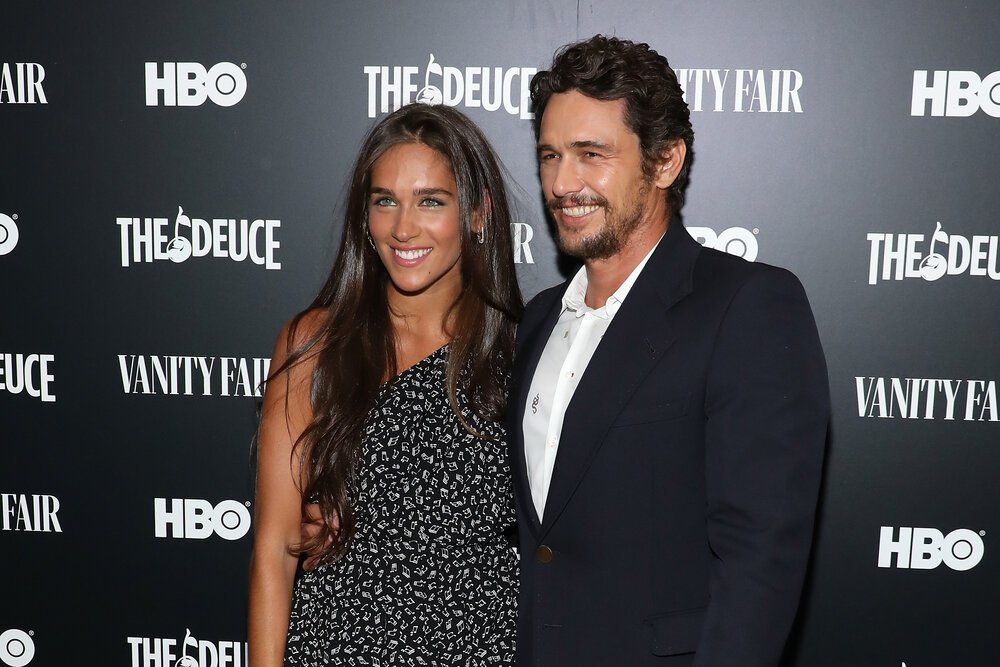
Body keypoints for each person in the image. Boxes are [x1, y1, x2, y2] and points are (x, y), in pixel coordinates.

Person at [508, 35, 830, 666]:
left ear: (664, 162)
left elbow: (758, 561)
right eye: (549, 156)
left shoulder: (748, 307)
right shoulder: (538, 319)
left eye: (590, 155)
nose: (562, 183)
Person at [248, 103, 523, 666]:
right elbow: (275, 550)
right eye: (385, 202)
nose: (403, 227)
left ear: (476, 212)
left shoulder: (522, 353)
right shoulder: (315, 345)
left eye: (430, 201)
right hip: (339, 647)